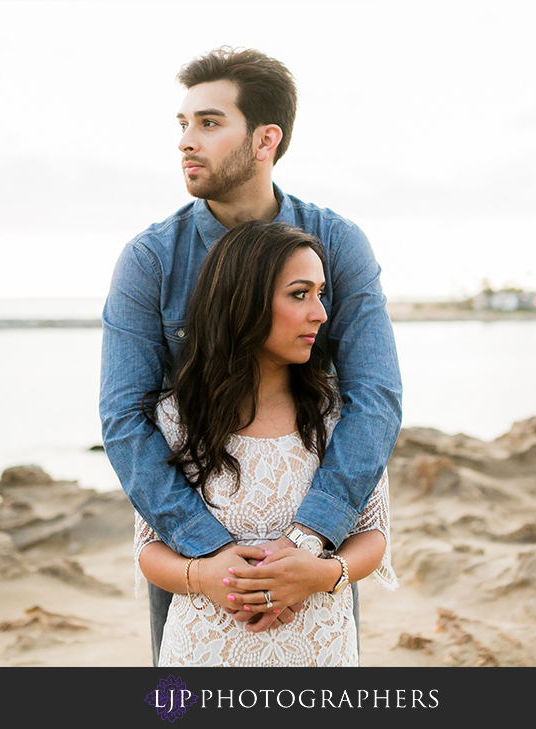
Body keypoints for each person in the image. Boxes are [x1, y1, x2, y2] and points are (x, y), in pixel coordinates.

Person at [99, 47, 402, 666]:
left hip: (315, 560)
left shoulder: (336, 243)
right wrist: (208, 557)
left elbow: (375, 397)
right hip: (197, 565)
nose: (187, 141)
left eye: (209, 123)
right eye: (182, 124)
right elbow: (124, 418)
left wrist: (308, 547)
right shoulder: (151, 260)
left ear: (266, 139)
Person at [134, 221, 397, 666]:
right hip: (203, 655)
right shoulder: (177, 417)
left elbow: (373, 535)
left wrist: (324, 573)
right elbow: (147, 549)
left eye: (320, 293)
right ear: (243, 302)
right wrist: (206, 577)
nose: (321, 313)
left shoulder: (338, 415)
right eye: (300, 294)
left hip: (319, 653)